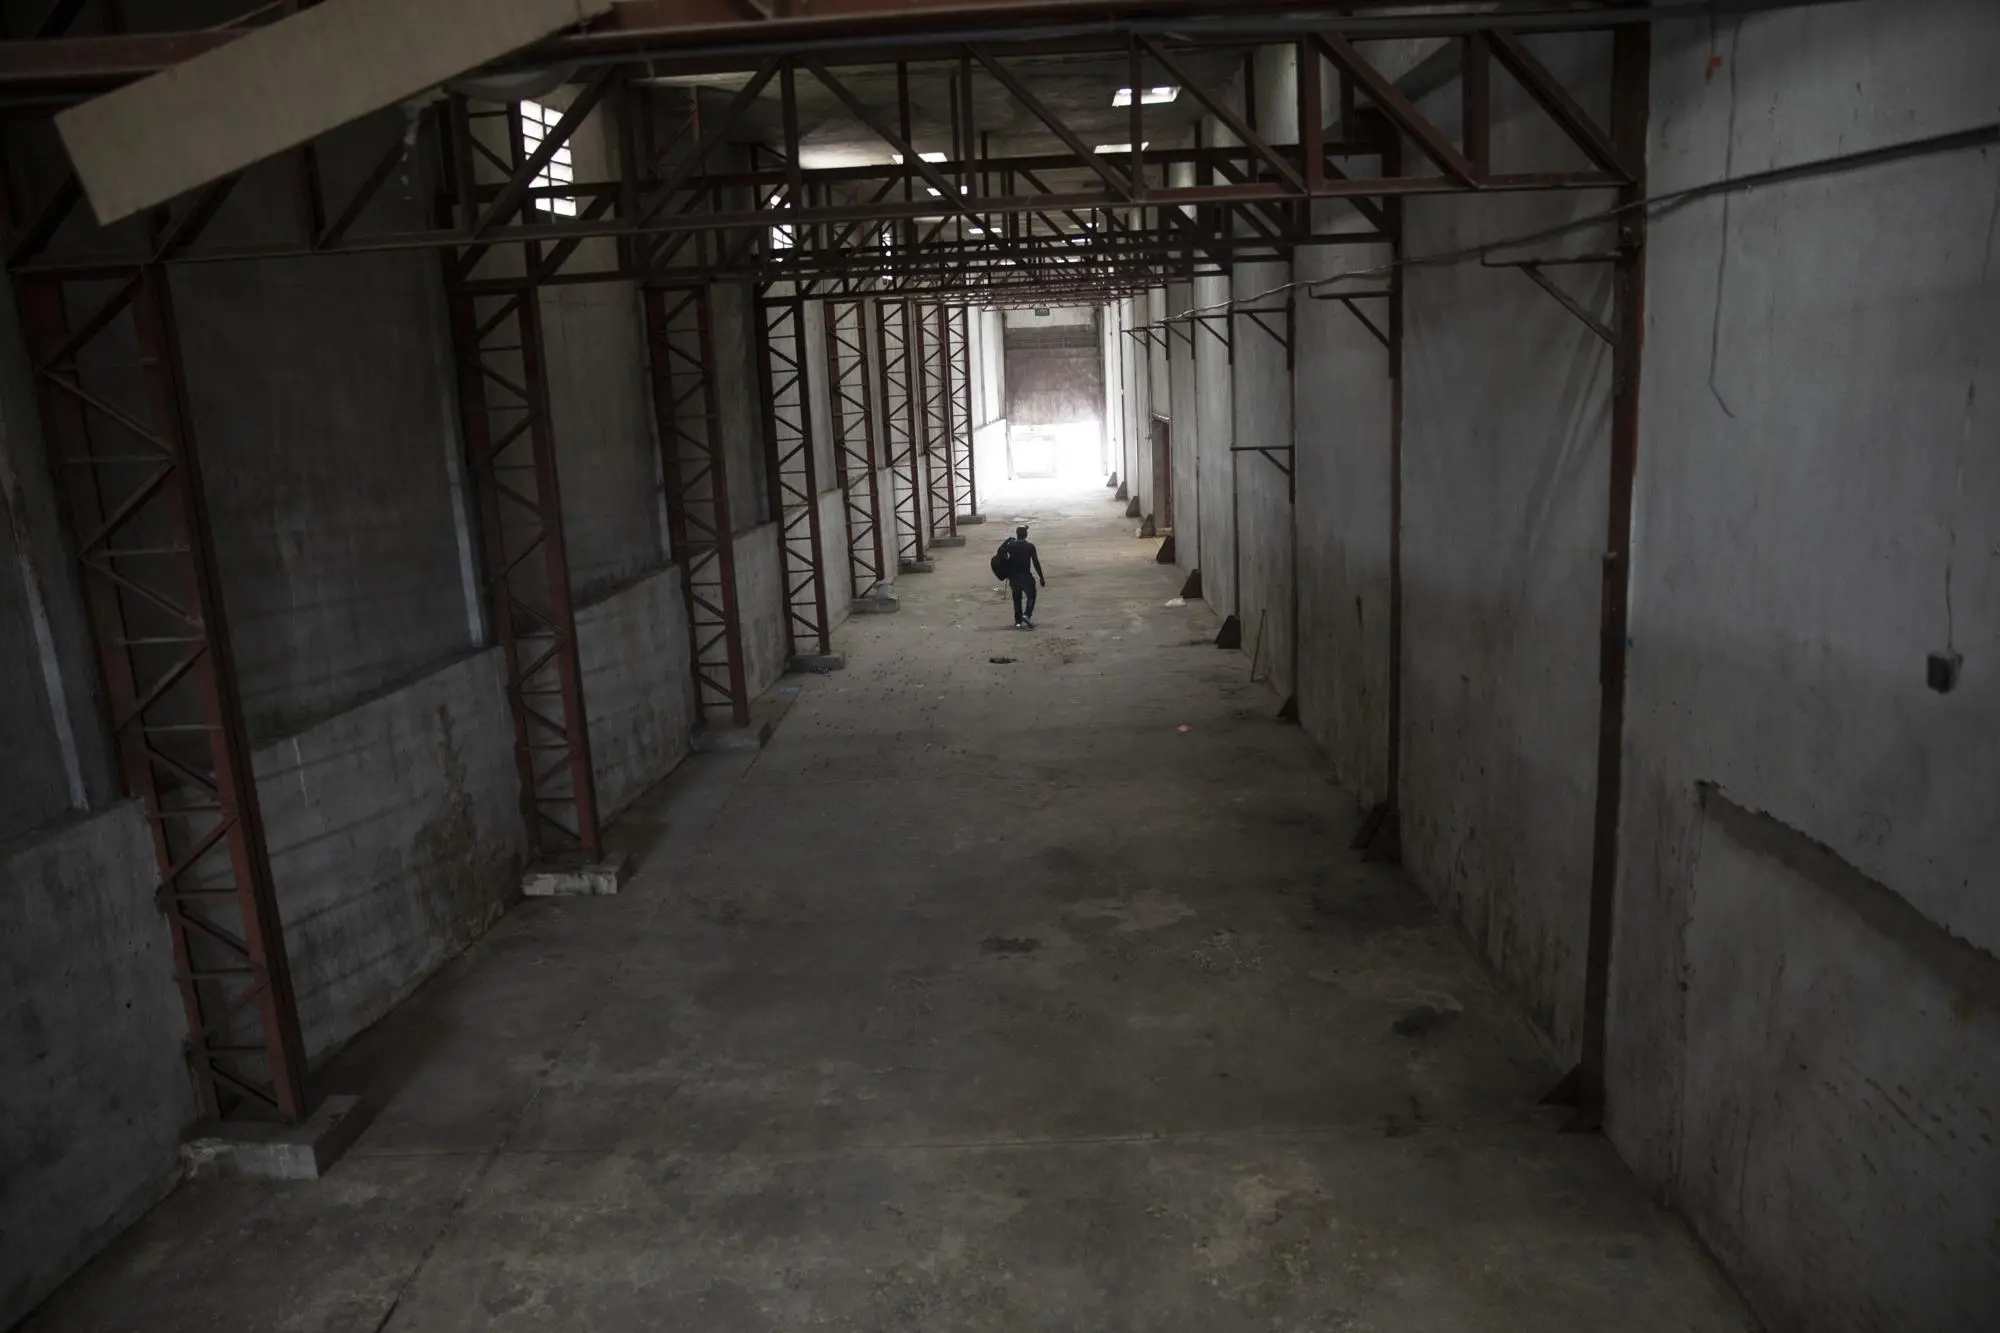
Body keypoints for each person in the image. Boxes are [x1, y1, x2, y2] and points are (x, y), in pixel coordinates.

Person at [1001, 524, 1046, 629]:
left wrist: (1007, 541)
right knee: (1031, 596)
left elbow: (1000, 552)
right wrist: (1041, 577)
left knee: (1017, 599)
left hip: (1014, 577)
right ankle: (1027, 615)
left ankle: (1018, 622)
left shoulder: (1011, 546)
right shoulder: (1030, 547)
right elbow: (1035, 562)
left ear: (1017, 534)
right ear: (1026, 535)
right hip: (1026, 576)